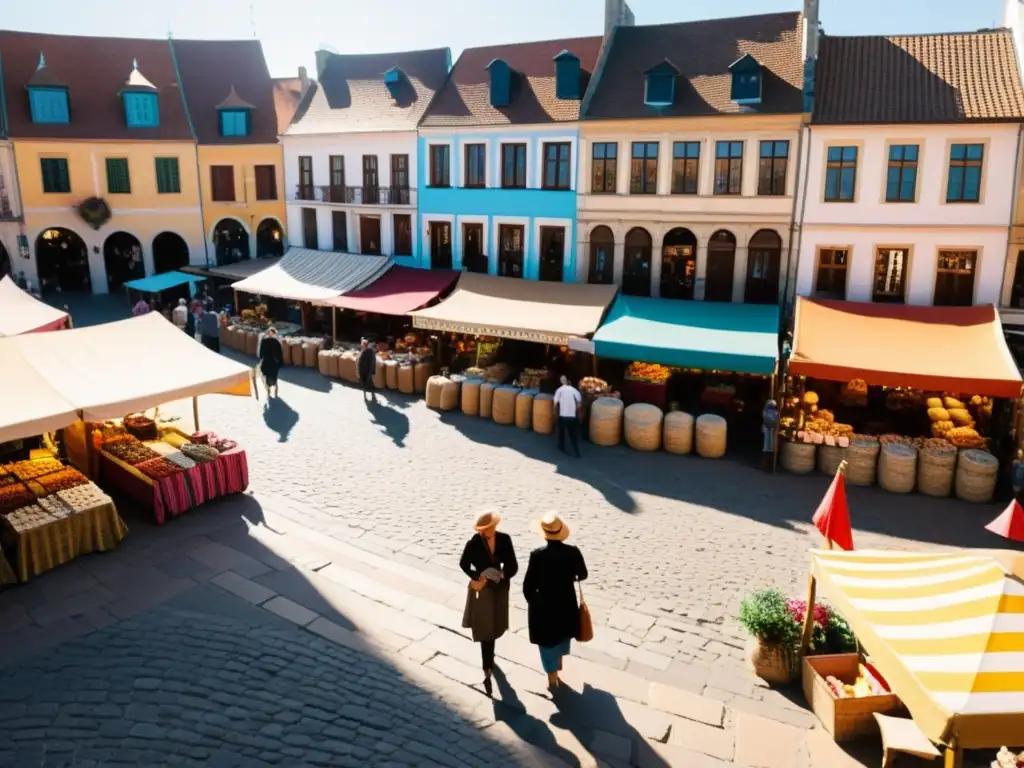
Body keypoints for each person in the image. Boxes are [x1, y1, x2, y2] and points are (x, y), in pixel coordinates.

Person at [523, 512, 588, 690]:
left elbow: (528, 585)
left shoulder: (537, 555)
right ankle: (557, 668)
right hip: (566, 603)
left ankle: (551, 675)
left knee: (546, 642)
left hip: (544, 606)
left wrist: (533, 602)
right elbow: (583, 574)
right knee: (561, 636)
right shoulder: (573, 552)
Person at [459, 511, 518, 696]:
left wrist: (502, 574)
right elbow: (463, 564)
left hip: (499, 588)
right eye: (485, 529)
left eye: (491, 527)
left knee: (497, 625)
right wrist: (479, 577)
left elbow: (513, 564)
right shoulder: (474, 544)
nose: (488, 531)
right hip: (483, 589)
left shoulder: (504, 540)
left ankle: (490, 659)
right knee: (486, 629)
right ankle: (487, 667)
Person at [553, 375, 582, 457]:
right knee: (573, 434)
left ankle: (562, 447)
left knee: (561, 432)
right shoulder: (574, 390)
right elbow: (579, 401)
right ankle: (576, 451)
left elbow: (555, 402)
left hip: (563, 415)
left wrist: (555, 411)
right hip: (572, 416)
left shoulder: (559, 390)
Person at [258, 327, 284, 398]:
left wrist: (280, 361)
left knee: (273, 376)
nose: (271, 334)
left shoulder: (275, 341)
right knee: (268, 375)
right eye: (270, 333)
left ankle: (274, 390)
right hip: (269, 361)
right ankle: (269, 390)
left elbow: (279, 352)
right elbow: (262, 351)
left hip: (273, 361)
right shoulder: (265, 341)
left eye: (272, 333)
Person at [358, 338, 377, 402]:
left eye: (362, 344)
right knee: (366, 379)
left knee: (365, 379)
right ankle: (366, 390)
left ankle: (366, 390)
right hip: (364, 368)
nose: (361, 345)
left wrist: (371, 370)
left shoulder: (369, 351)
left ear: (365, 345)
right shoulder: (365, 350)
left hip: (366, 369)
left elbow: (371, 361)